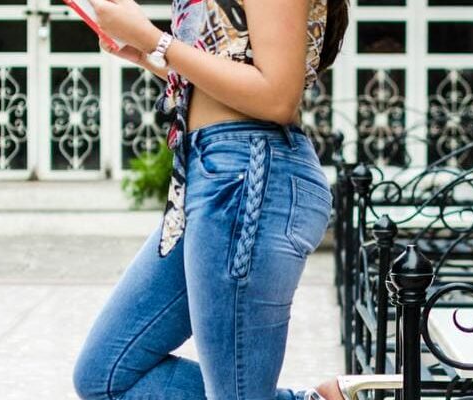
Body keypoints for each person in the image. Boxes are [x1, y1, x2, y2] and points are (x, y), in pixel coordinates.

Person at [73, 0, 350, 398]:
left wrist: (157, 39)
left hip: (249, 176)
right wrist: (144, 51)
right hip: (211, 172)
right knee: (107, 374)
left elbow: (276, 97)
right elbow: (230, 64)